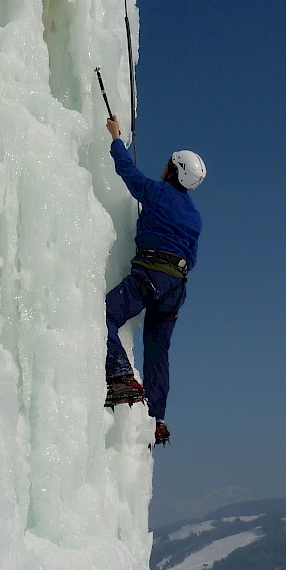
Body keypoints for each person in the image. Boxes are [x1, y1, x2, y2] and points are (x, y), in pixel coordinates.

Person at [103, 114, 205, 446]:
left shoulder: (158, 192)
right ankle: (157, 418)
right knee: (159, 352)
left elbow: (128, 173)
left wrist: (116, 138)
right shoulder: (194, 216)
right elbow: (192, 257)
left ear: (173, 170)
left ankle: (120, 374)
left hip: (151, 274)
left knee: (104, 314)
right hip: (176, 287)